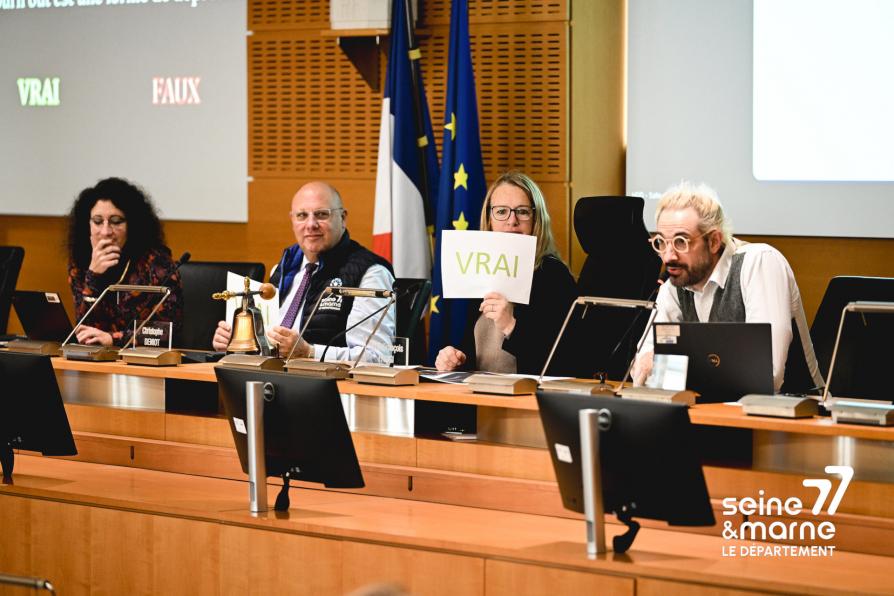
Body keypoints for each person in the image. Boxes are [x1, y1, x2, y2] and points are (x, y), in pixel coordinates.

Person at [632, 181, 823, 392]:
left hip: (794, 407)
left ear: (714, 241)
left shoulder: (759, 263)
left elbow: (768, 374)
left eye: (680, 242)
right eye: (661, 242)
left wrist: (670, 368)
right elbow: (641, 368)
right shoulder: (676, 281)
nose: (668, 256)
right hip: (711, 407)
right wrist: (654, 366)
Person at [212, 181, 396, 363]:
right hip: (269, 376)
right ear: (292, 220)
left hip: (325, 381)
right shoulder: (283, 268)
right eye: (302, 215)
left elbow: (378, 357)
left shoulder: (370, 273)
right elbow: (266, 344)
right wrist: (238, 342)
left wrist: (309, 352)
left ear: (343, 218)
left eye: (321, 214)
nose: (311, 224)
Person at [434, 172, 579, 376]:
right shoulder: (478, 269)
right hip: (479, 392)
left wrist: (510, 325)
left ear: (536, 219)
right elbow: (478, 355)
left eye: (522, 211)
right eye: (501, 211)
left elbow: (568, 361)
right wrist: (456, 359)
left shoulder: (554, 276)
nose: (512, 221)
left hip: (530, 394)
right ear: (489, 219)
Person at [67, 177, 183, 347]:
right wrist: (93, 277)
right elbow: (84, 330)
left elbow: (167, 333)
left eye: (116, 222)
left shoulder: (157, 264)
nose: (105, 232)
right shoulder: (80, 262)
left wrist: (113, 339)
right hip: (96, 359)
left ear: (132, 225)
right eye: (97, 222)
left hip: (142, 359)